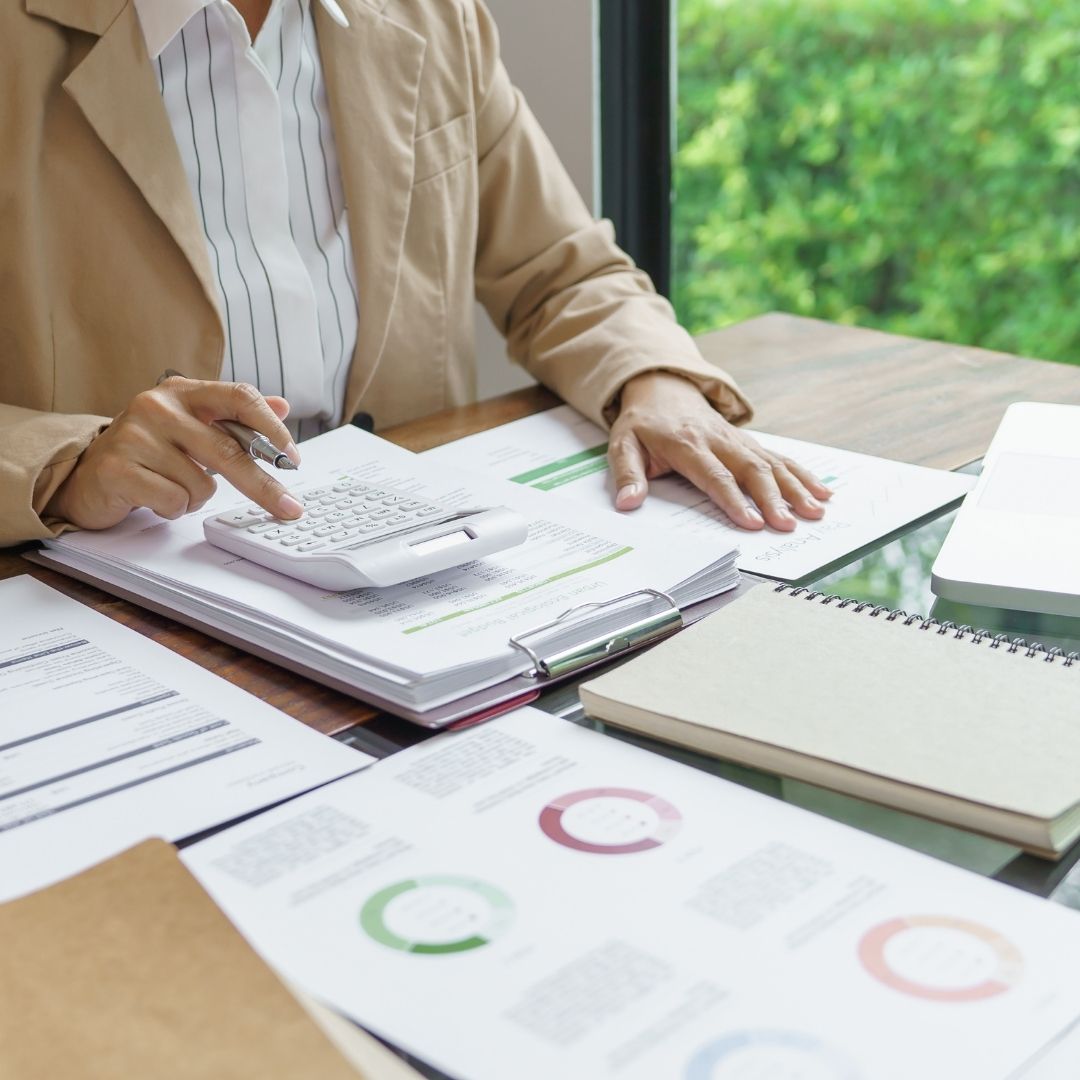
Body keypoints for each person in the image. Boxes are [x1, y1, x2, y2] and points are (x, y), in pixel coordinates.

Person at [0, 0, 830, 549]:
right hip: (117, 592)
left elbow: (561, 269)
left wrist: (657, 383)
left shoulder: (433, 15)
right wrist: (66, 462)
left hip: (411, 565)